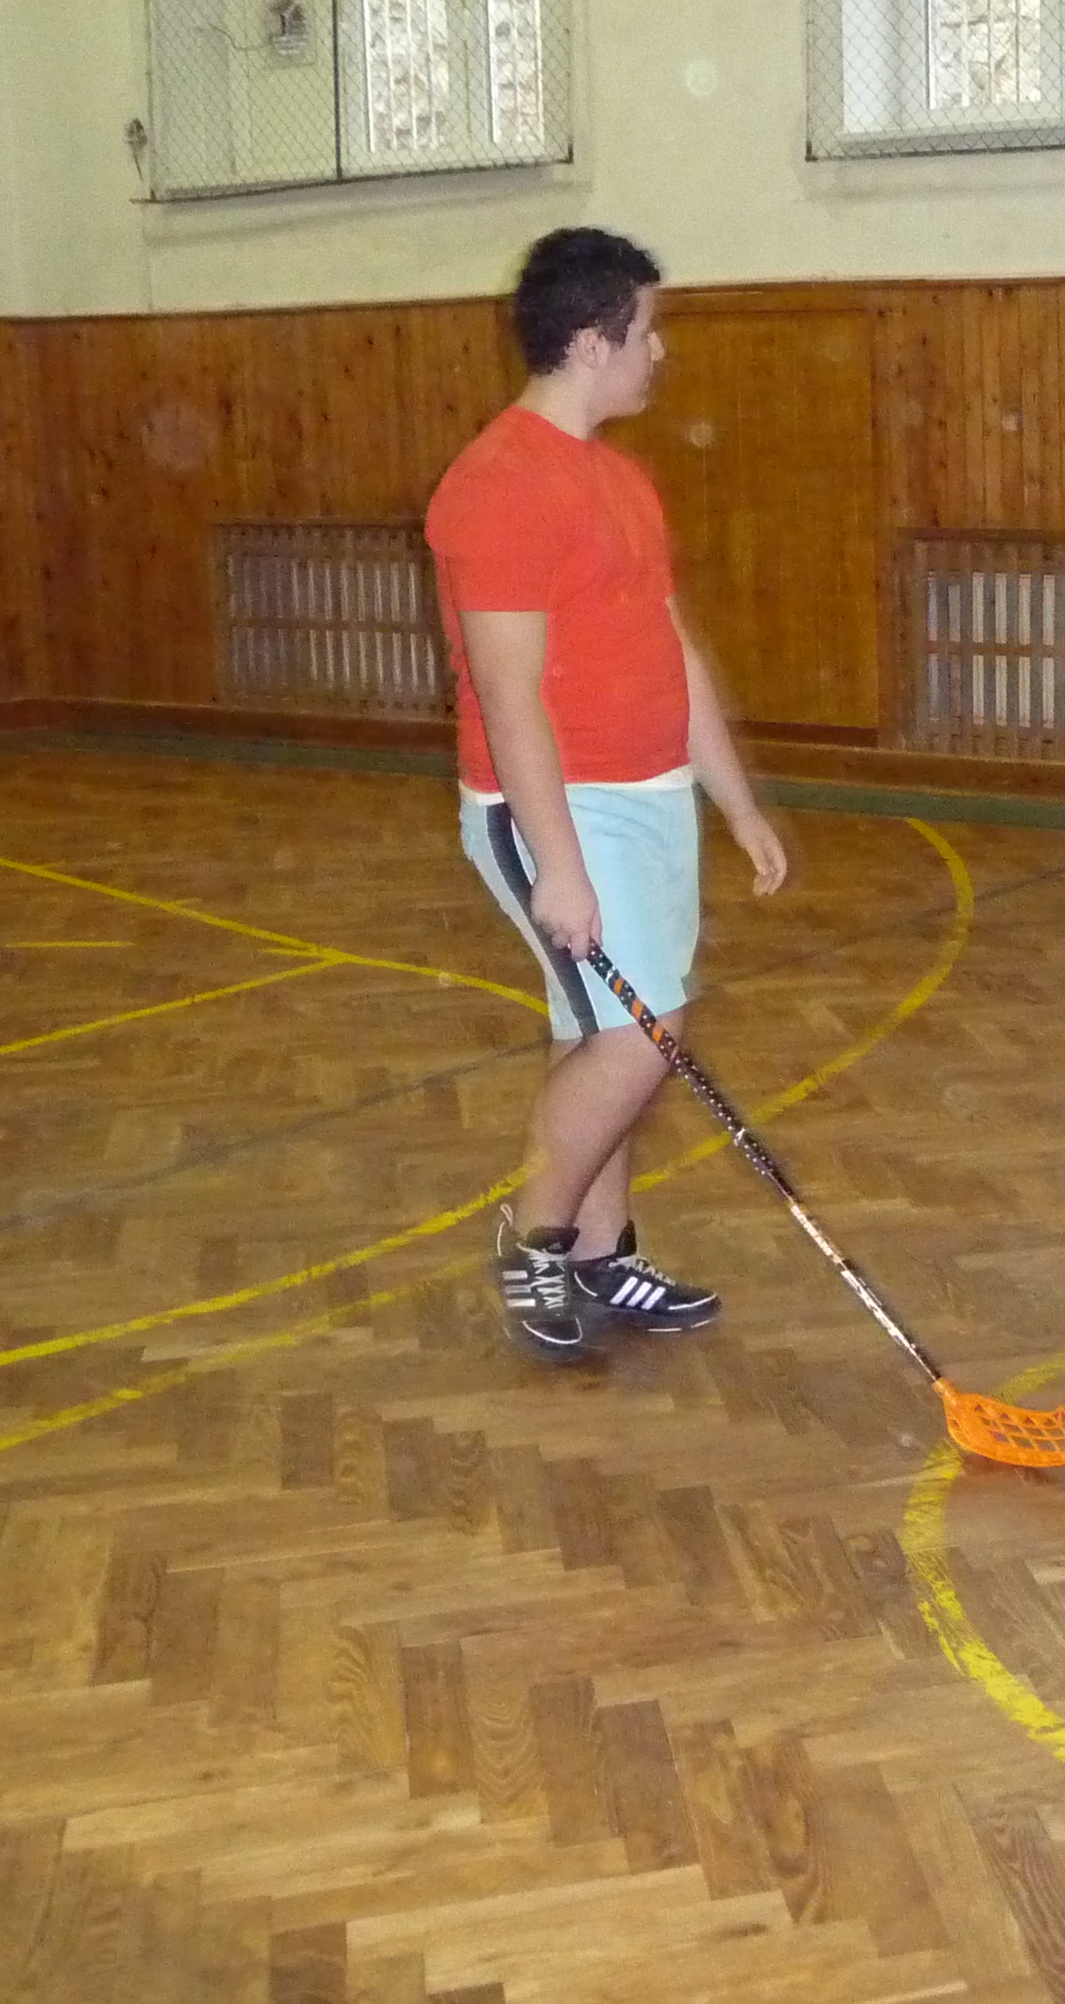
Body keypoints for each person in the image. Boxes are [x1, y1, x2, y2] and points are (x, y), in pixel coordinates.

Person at [425, 228, 789, 1362]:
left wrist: (735, 802)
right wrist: (561, 865)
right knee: (644, 1031)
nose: (659, 351)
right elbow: (508, 696)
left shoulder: (619, 480)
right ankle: (532, 1238)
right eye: (647, 330)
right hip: (559, 807)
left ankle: (599, 1254)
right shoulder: (498, 488)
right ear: (592, 341)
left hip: (649, 795)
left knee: (599, 1032)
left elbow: (673, 652)